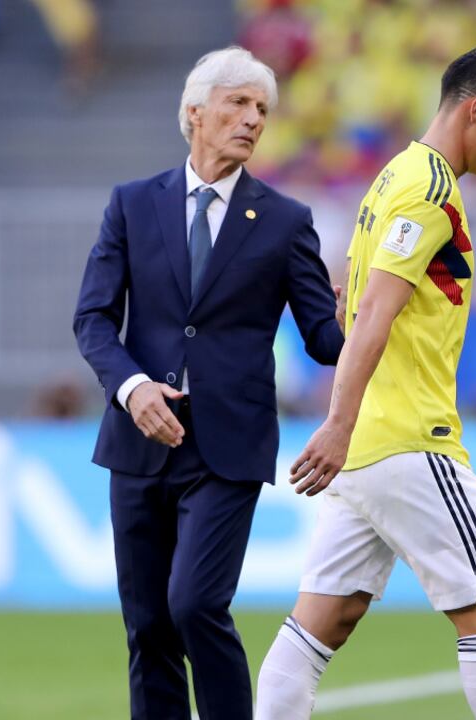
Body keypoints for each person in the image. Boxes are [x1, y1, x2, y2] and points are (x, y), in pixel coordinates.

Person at [254, 45, 476, 720]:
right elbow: (377, 312)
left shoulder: (391, 178)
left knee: (323, 623)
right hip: (409, 441)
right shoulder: (430, 190)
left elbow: (356, 301)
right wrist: (338, 419)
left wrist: (345, 428)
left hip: (364, 455)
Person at [72, 46, 344, 720]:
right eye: (239, 104)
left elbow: (325, 340)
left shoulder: (285, 221)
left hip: (228, 446)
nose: (253, 120)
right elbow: (93, 320)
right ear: (195, 113)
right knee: (149, 628)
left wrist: (373, 310)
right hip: (139, 442)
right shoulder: (132, 205)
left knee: (194, 603)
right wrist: (132, 388)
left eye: (262, 110)